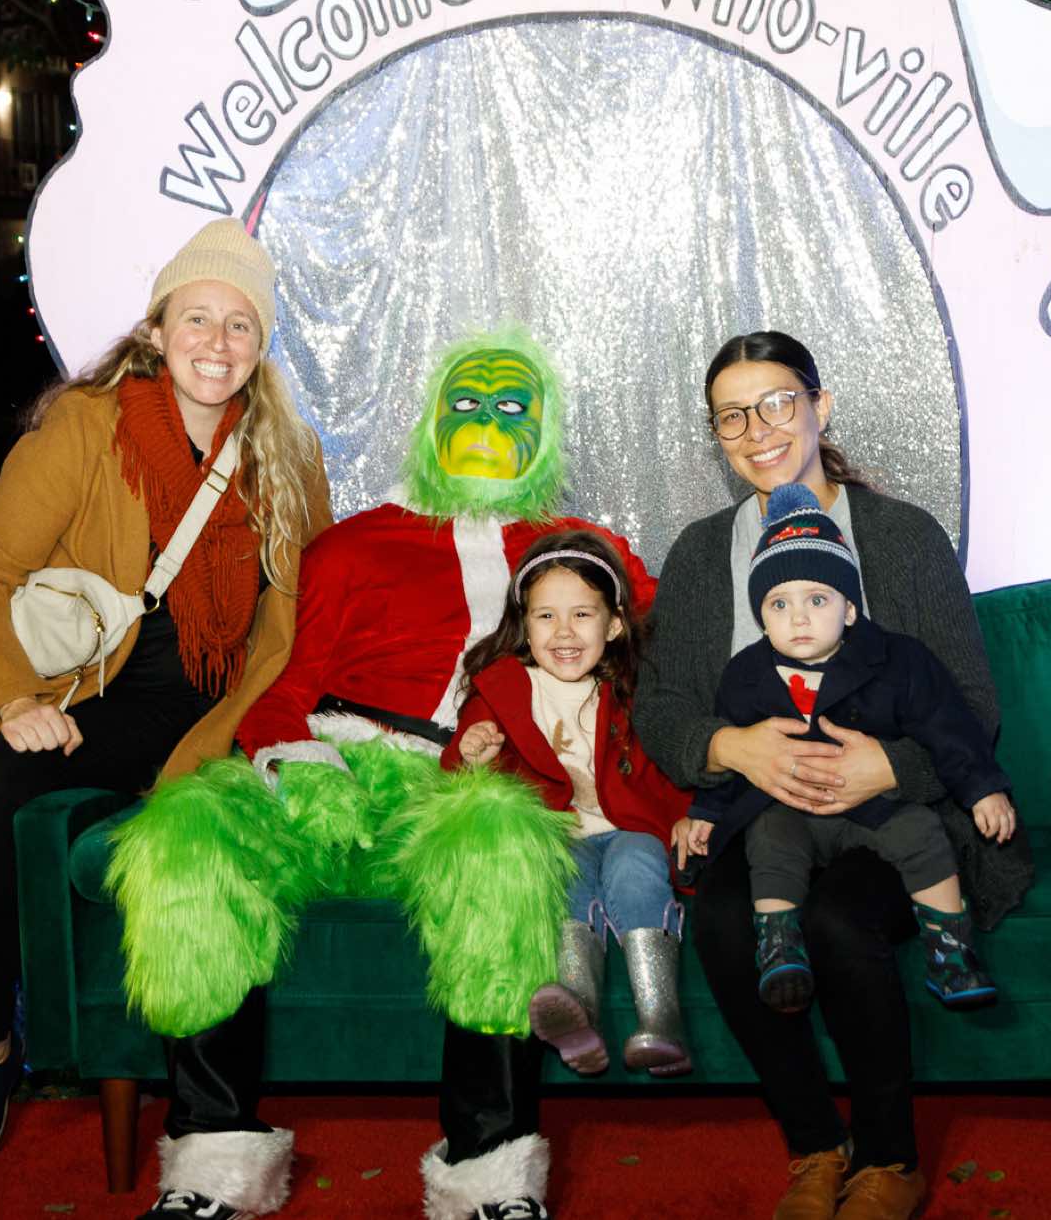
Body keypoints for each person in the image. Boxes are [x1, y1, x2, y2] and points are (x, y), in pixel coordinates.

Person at [109, 326, 653, 1220]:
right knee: (187, 830)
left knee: (503, 842)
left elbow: (658, 661)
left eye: (511, 406)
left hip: (458, 782)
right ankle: (211, 1163)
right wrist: (303, 762)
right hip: (331, 757)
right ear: (431, 421)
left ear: (546, 429)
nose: (487, 422)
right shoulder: (353, 545)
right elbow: (283, 685)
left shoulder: (584, 552)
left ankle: (490, 1174)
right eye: (466, 403)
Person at [0, 219, 330, 1179]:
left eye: (240, 324)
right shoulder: (87, 427)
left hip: (189, 711)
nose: (217, 342)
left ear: (261, 346)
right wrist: (14, 698)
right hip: (58, 682)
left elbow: (304, 614)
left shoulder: (287, 456)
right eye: (198, 318)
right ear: (156, 329)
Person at [631, 330, 1032, 1220]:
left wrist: (884, 763)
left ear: (820, 406)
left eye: (778, 402)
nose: (758, 430)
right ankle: (815, 1142)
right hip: (764, 816)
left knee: (839, 917)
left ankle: (890, 1158)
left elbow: (969, 701)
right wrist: (731, 749)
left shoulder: (902, 536)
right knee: (725, 920)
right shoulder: (701, 553)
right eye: (732, 416)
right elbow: (660, 706)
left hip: (900, 812)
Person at [681, 482, 1019, 1016]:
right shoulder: (745, 675)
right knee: (767, 841)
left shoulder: (898, 660)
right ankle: (779, 944)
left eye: (817, 600)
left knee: (922, 833)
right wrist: (705, 812)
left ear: (850, 609)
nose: (798, 618)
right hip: (788, 808)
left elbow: (950, 728)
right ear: (762, 617)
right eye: (779, 604)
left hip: (875, 807)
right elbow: (735, 756)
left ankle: (950, 950)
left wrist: (983, 790)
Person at [443, 529, 697, 1079]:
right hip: (560, 834)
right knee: (565, 882)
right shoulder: (504, 687)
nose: (563, 632)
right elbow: (459, 771)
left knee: (635, 868)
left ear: (614, 624)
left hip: (630, 828)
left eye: (582, 615)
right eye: (546, 617)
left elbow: (670, 762)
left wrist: (689, 815)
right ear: (524, 625)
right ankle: (577, 1009)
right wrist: (472, 750)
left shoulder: (635, 687)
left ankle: (661, 1018)